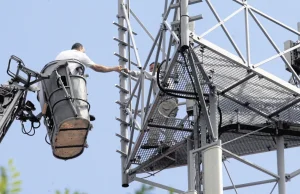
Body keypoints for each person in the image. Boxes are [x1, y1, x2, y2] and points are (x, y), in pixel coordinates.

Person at [129, 61, 179, 150]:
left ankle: (153, 141)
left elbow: (144, 74)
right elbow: (156, 102)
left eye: (152, 68)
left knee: (154, 120)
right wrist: (143, 109)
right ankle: (168, 142)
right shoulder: (164, 79)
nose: (151, 70)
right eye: (150, 69)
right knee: (169, 124)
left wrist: (130, 72)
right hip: (172, 103)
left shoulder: (158, 75)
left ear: (158, 69)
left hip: (166, 101)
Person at [55, 43, 125, 73]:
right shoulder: (80, 54)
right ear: (80, 48)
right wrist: (113, 69)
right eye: (83, 51)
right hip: (67, 80)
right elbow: (97, 67)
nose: (84, 53)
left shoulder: (61, 53)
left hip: (53, 80)